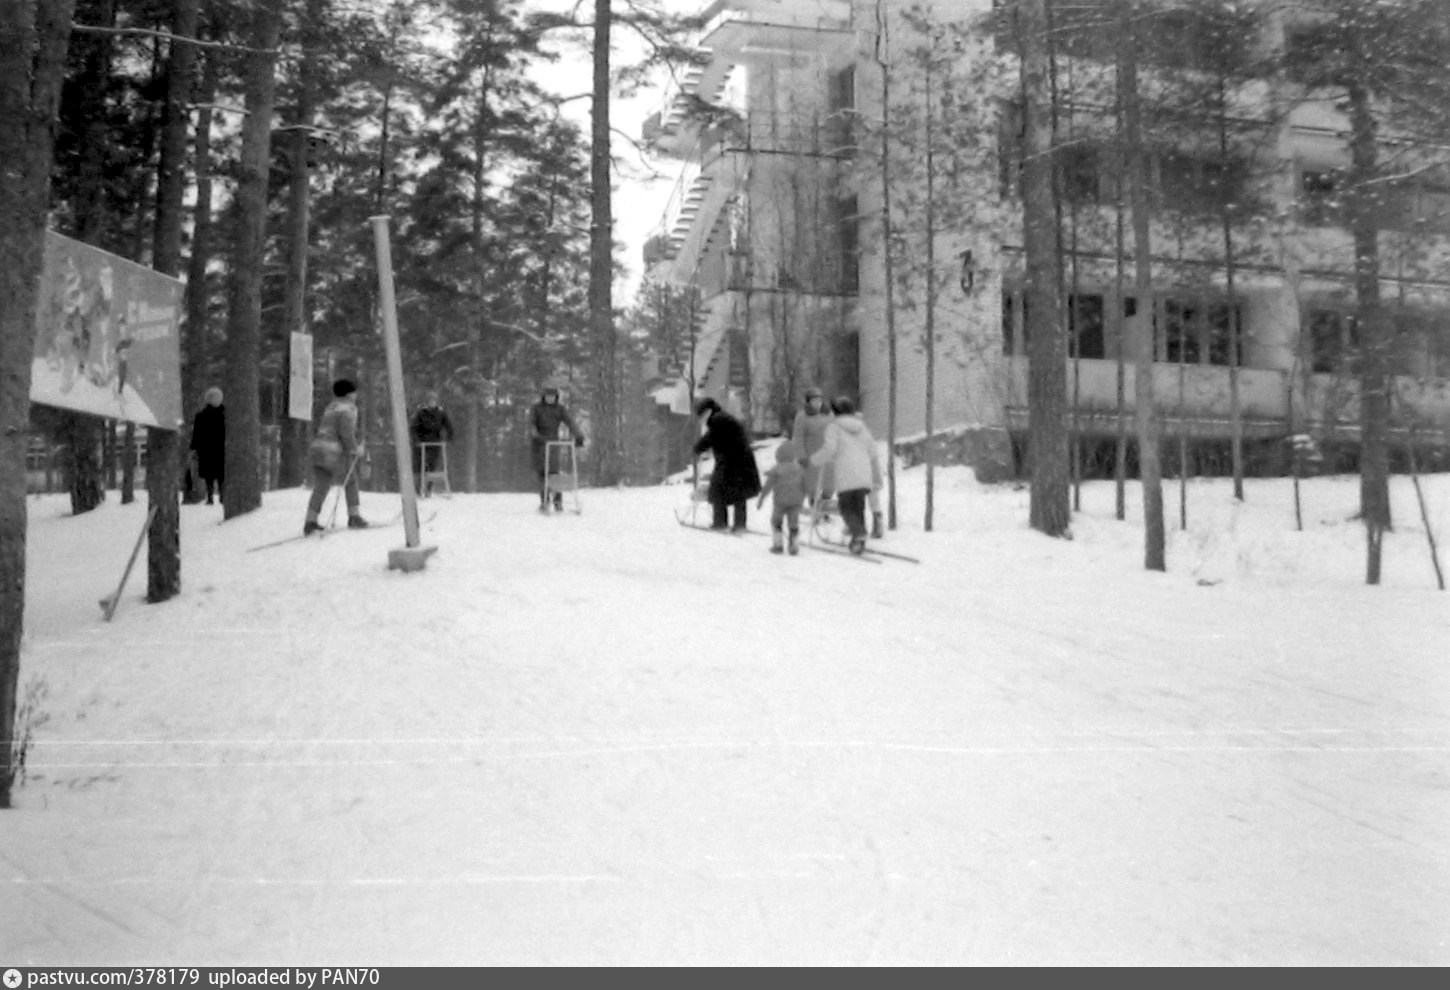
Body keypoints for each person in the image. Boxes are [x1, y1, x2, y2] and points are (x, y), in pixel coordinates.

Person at [808, 396, 882, 554]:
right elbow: (872, 450)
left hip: (846, 474)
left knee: (846, 507)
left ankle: (858, 533)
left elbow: (829, 449)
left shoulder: (834, 427)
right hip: (863, 473)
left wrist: (814, 460)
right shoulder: (863, 428)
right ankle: (858, 541)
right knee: (858, 507)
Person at [303, 378, 368, 535]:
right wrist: (354, 449)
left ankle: (310, 521)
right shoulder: (349, 408)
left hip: (318, 448)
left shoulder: (331, 407)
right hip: (333, 451)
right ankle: (354, 516)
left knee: (321, 486)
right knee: (350, 481)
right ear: (350, 393)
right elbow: (345, 432)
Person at [693, 396, 761, 532]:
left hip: (731, 461)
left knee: (718, 490)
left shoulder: (717, 420)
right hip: (742, 460)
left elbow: (711, 437)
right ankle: (740, 524)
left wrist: (698, 448)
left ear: (706, 412)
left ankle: (720, 523)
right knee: (739, 493)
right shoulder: (722, 418)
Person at [529, 385, 585, 511]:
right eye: (548, 396)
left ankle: (558, 501)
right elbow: (531, 424)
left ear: (556, 397)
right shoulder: (537, 408)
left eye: (553, 397)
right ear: (544, 397)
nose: (550, 399)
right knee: (542, 473)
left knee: (554, 473)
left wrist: (578, 435)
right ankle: (544, 500)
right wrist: (536, 434)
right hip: (539, 443)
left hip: (553, 443)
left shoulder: (560, 409)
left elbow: (570, 422)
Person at [756, 439, 806, 555]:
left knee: (776, 522)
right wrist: (804, 496)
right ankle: (794, 545)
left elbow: (768, 486)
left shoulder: (777, 468)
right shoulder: (800, 469)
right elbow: (806, 485)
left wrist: (762, 498)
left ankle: (778, 545)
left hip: (780, 502)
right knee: (794, 524)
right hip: (796, 502)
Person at [791, 386, 834, 507]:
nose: (817, 403)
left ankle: (825, 508)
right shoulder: (802, 417)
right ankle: (814, 508)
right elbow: (798, 438)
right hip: (811, 456)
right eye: (814, 400)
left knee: (829, 485)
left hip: (828, 456)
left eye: (819, 400)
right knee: (813, 485)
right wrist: (801, 456)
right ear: (808, 402)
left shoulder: (829, 414)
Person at [410, 390, 455, 496]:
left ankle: (429, 488)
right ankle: (418, 488)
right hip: (421, 444)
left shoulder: (440, 413)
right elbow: (414, 428)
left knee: (432, 466)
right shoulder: (420, 413)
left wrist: (449, 438)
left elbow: (448, 426)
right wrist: (416, 440)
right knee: (420, 466)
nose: (432, 403)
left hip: (435, 443)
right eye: (430, 401)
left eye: (434, 401)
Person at [189, 387, 225, 506]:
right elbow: (197, 433)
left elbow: (196, 433)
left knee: (210, 474)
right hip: (219, 448)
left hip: (207, 449)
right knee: (220, 474)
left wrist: (194, 448)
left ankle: (211, 496)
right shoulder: (224, 415)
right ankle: (220, 496)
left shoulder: (202, 415)